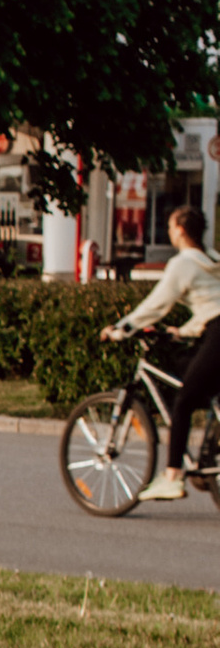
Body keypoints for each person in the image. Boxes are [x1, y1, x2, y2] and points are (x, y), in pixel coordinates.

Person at [104, 194, 220, 500]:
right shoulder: (212, 259)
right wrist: (183, 331)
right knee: (189, 368)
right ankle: (209, 450)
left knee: (183, 403)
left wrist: (121, 328)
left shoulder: (183, 263)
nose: (169, 232)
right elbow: (213, 304)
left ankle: (172, 477)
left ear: (180, 229)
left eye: (170, 226)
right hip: (213, 333)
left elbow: (155, 305)